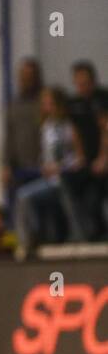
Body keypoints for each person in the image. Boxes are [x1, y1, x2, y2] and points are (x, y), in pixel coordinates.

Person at [14, 86, 84, 256]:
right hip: (49, 181)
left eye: (51, 103)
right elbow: (46, 155)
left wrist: (60, 167)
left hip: (66, 179)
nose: (47, 107)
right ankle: (29, 239)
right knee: (24, 196)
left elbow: (79, 158)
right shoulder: (46, 127)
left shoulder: (68, 127)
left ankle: (79, 235)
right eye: (45, 104)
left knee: (66, 195)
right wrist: (44, 166)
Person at [65, 61, 108, 240]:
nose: (82, 87)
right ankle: (81, 233)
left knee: (95, 197)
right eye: (78, 83)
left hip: (102, 159)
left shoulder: (102, 98)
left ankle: (100, 234)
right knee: (71, 186)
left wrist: (103, 157)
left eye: (85, 83)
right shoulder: (74, 103)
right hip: (87, 159)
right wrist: (80, 156)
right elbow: (75, 132)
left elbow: (105, 128)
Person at [0, 58, 42, 224]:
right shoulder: (14, 105)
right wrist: (6, 165)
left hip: (42, 166)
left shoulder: (43, 102)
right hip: (20, 168)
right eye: (23, 76)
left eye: (30, 76)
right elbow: (9, 137)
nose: (26, 80)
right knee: (20, 206)